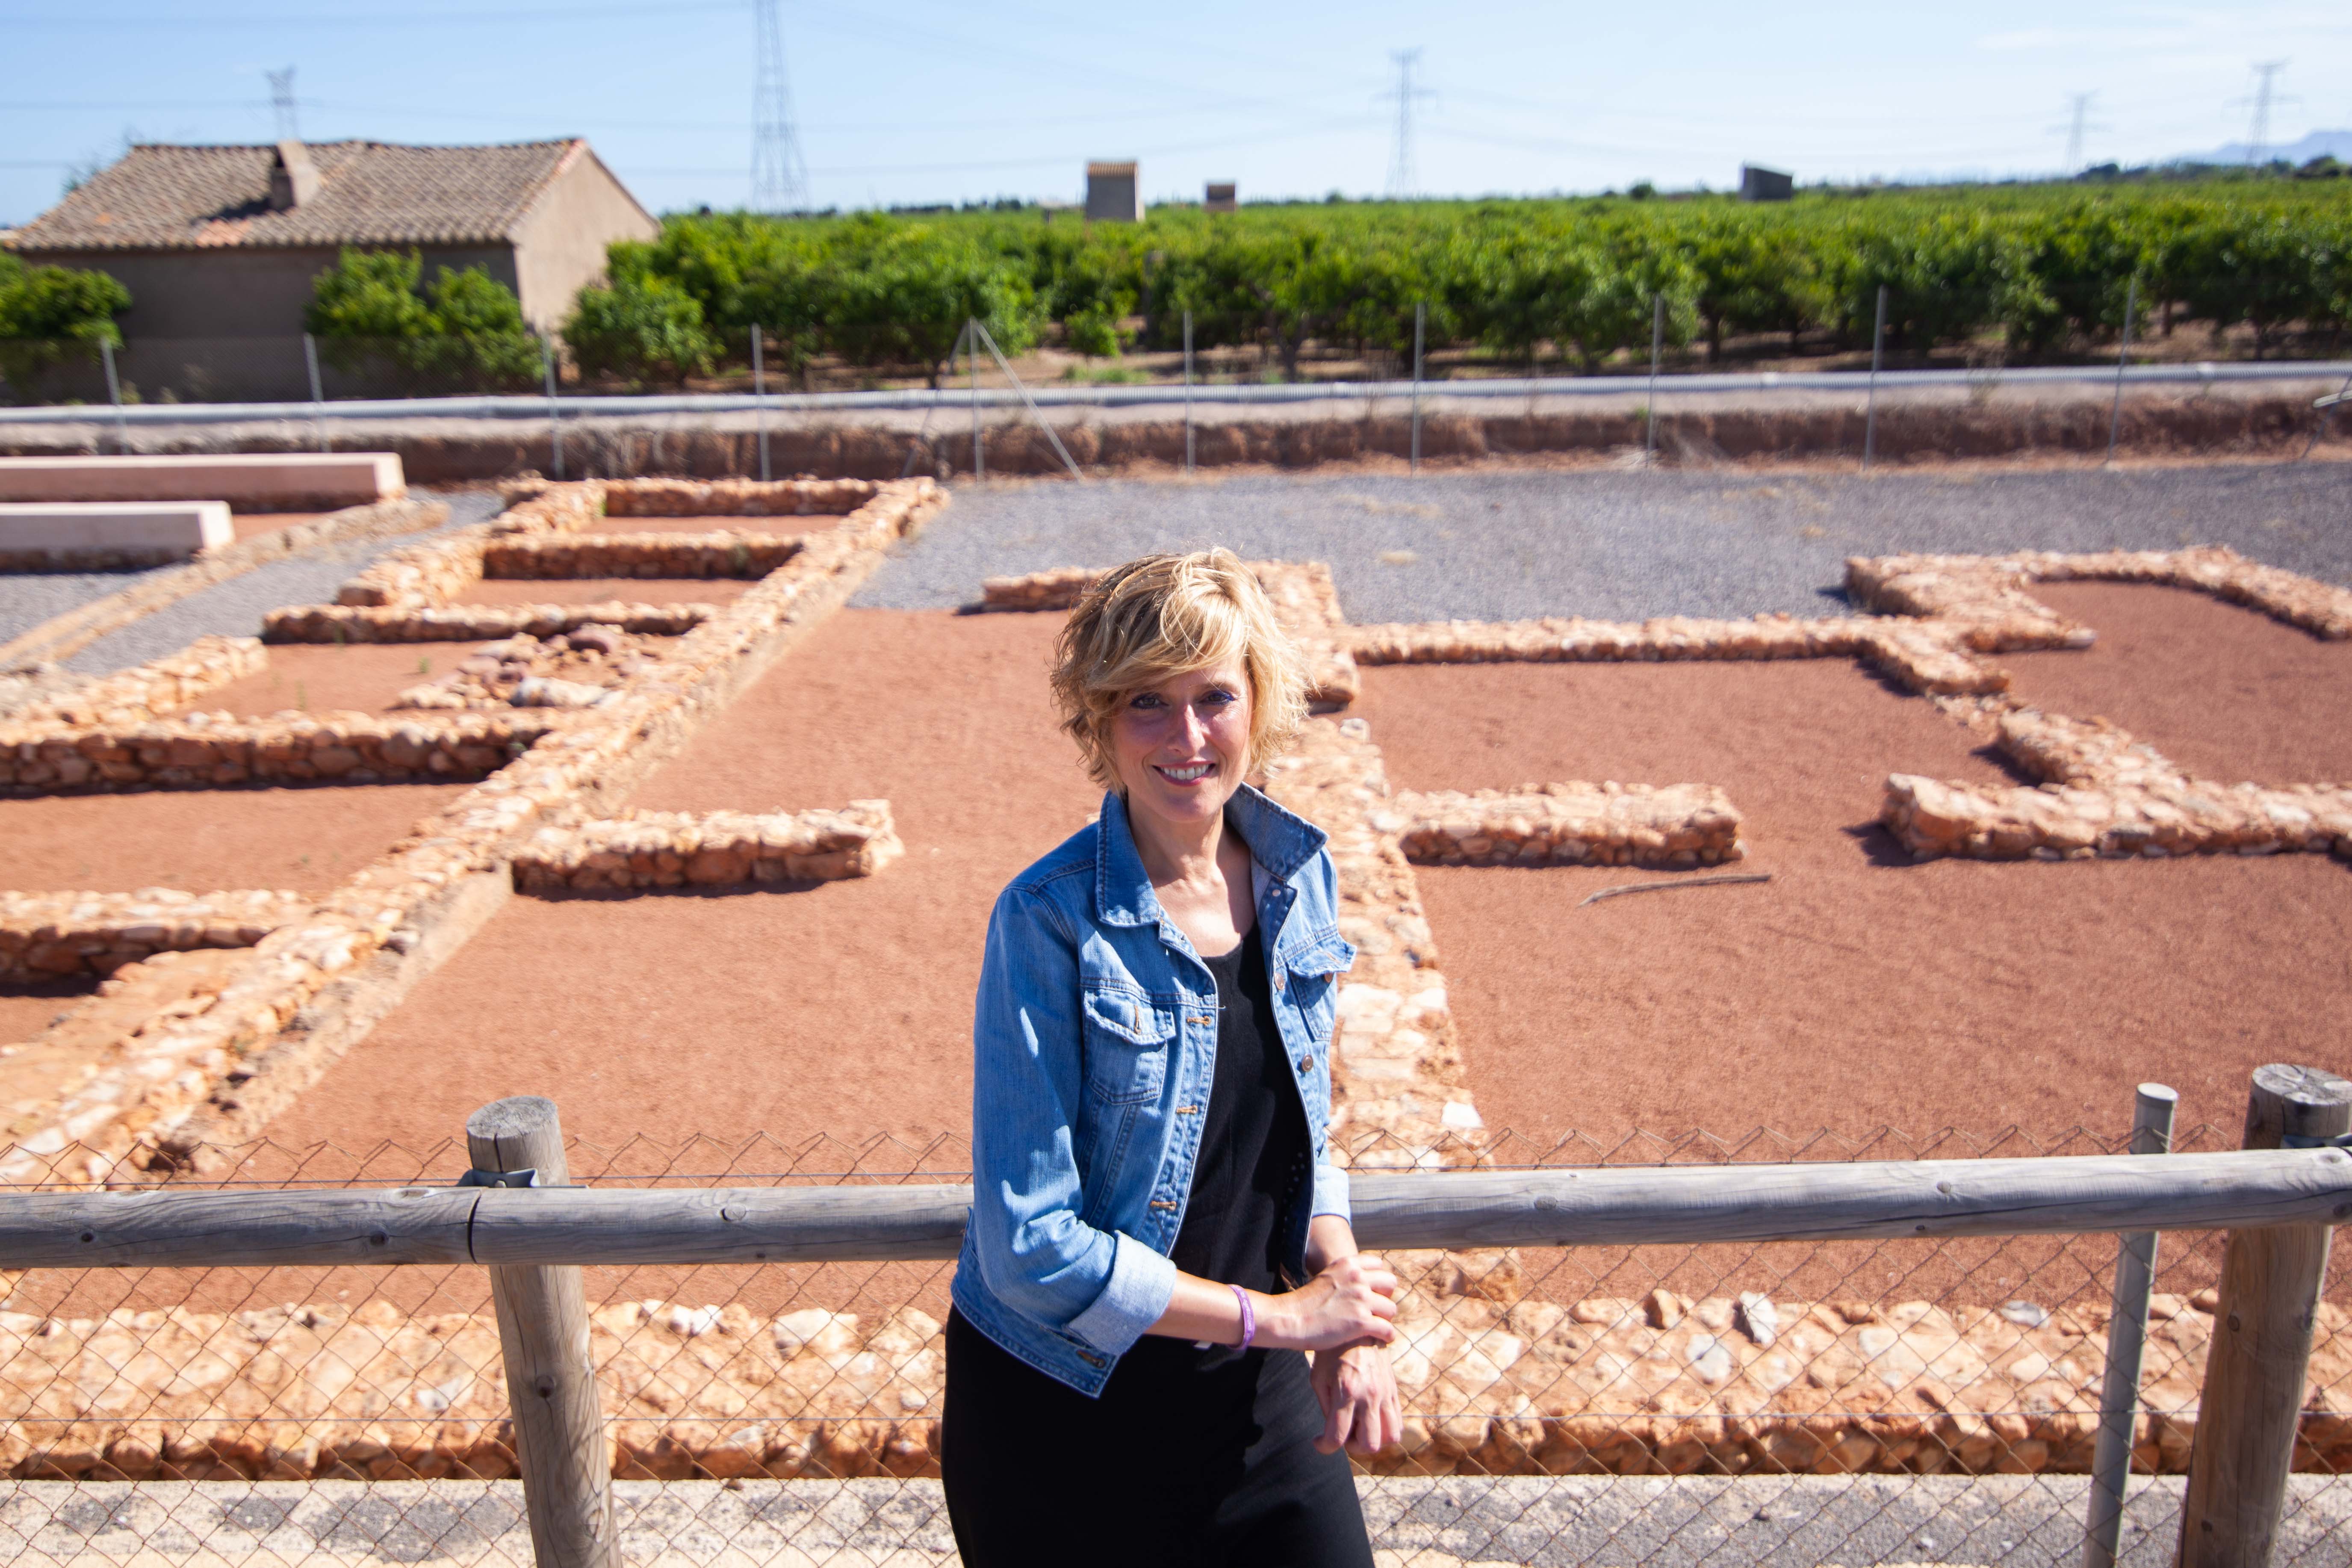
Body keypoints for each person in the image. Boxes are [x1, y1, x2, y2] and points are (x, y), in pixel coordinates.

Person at [944, 549, 1403, 1567]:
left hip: (1260, 1406)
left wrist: (1343, 1307)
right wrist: (1284, 1321)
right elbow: (1030, 1246)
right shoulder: (1047, 920)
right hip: (1065, 1419)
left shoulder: (1299, 876)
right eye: (1147, 701)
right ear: (1100, 719)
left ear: (1259, 703)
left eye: (1215, 697)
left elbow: (1306, 1132)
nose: (1188, 737)